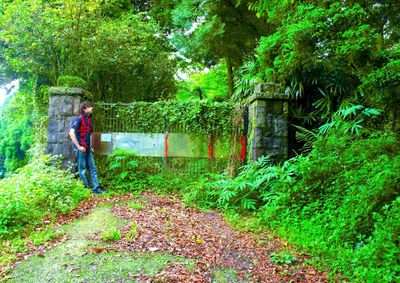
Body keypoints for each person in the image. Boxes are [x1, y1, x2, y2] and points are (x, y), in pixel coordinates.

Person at [69, 101, 104, 194]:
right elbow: (71, 133)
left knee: (93, 168)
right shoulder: (79, 119)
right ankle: (86, 190)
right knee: (82, 170)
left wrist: (91, 146)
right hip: (81, 150)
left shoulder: (89, 120)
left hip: (88, 149)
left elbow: (90, 134)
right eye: (90, 106)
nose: (92, 108)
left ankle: (96, 189)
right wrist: (79, 146)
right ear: (84, 109)